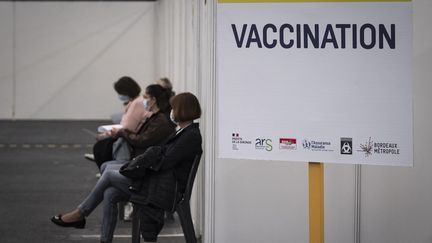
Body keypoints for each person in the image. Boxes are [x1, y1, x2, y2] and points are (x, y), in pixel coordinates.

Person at [51, 92, 202, 243]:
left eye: (174, 108)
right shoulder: (184, 132)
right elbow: (163, 156)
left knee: (109, 174)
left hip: (163, 188)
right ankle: (104, 239)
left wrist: (148, 158)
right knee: (110, 193)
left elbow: (165, 161)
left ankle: (80, 213)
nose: (171, 112)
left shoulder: (191, 136)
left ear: (182, 110)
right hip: (158, 182)